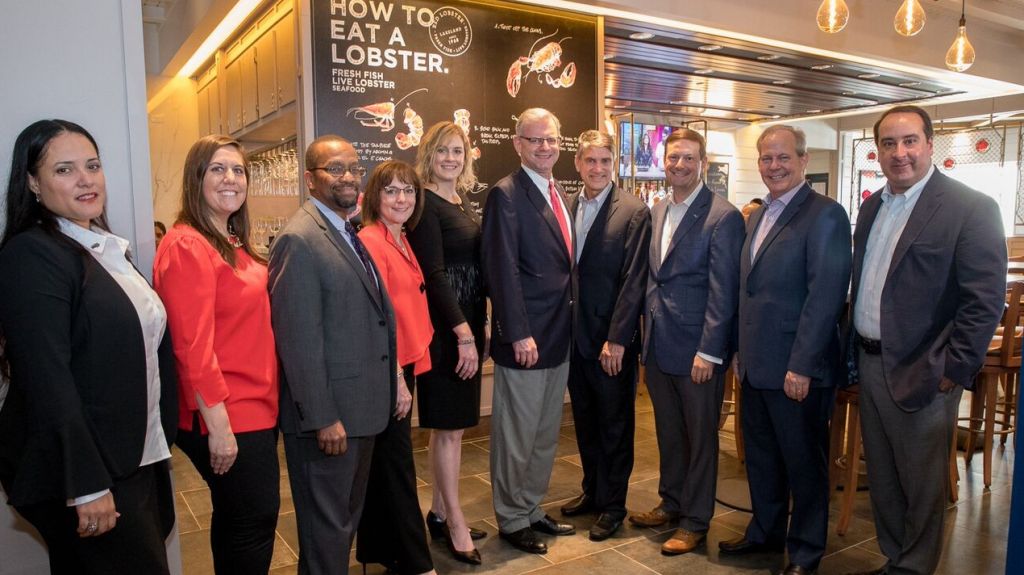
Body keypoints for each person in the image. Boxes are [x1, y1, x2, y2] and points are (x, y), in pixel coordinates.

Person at [0, 119, 177, 573]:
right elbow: (47, 379)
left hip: (135, 458)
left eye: (92, 165)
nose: (85, 179)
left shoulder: (103, 250)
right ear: (33, 183)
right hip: (91, 473)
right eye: (64, 170)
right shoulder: (31, 255)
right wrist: (86, 486)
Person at [845, 105, 1006, 575]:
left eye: (910, 141)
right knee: (884, 478)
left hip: (924, 369)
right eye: (889, 144)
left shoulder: (969, 207)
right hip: (869, 361)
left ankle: (915, 568)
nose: (900, 153)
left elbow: (984, 300)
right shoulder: (872, 205)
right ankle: (896, 559)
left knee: (920, 483)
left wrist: (954, 369)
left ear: (930, 144)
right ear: (878, 151)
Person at [722, 125, 851, 575]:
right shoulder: (757, 216)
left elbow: (825, 297)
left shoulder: (826, 215)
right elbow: (748, 292)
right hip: (756, 365)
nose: (773, 166)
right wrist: (738, 349)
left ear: (802, 159)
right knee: (761, 458)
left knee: (804, 465)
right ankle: (765, 534)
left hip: (797, 370)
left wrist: (802, 366)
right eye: (766, 158)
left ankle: (805, 551)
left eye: (782, 158)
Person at [153, 134, 280, 574]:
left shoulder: (230, 242)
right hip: (228, 413)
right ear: (196, 179)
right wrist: (219, 428)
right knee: (251, 521)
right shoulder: (189, 245)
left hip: (256, 406)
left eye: (239, 170)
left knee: (242, 520)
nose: (231, 178)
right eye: (217, 169)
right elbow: (192, 347)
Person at [268, 135, 395, 575]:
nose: (348, 178)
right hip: (329, 420)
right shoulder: (299, 240)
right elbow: (298, 339)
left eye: (355, 168)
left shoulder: (345, 231)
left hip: (359, 412)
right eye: (335, 169)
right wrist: (322, 417)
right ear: (310, 179)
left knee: (339, 530)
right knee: (327, 537)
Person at [630, 128, 744, 555]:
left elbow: (723, 291)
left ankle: (696, 520)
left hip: (699, 349)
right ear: (664, 160)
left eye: (688, 159)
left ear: (703, 164)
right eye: (673, 157)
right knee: (669, 432)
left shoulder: (722, 216)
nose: (679, 165)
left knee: (700, 439)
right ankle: (671, 502)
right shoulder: (657, 209)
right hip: (659, 343)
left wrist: (710, 351)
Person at [482, 107, 576, 555]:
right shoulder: (506, 194)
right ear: (517, 144)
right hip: (526, 339)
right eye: (535, 140)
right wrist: (518, 332)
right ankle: (511, 516)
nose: (544, 147)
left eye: (551, 139)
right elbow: (502, 270)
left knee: (544, 431)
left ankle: (532, 505)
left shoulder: (560, 193)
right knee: (516, 433)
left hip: (559, 334)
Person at [560, 130, 651, 542]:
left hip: (610, 343)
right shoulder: (567, 204)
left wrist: (618, 339)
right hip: (575, 340)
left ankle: (614, 505)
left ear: (613, 165)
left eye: (604, 162)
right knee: (585, 421)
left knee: (615, 426)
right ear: (578, 164)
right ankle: (592, 492)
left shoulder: (633, 211)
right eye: (590, 161)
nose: (597, 169)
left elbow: (634, 280)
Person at [407, 121, 488, 563]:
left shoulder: (461, 199)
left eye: (457, 151)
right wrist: (463, 335)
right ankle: (454, 521)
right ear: (428, 155)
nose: (451, 158)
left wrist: (481, 325)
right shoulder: (425, 205)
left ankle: (439, 513)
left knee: (452, 428)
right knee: (449, 431)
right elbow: (434, 277)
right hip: (446, 332)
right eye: (443, 151)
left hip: (468, 325)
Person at [354, 161, 438, 574]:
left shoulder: (400, 239)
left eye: (408, 191)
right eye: (391, 191)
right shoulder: (371, 240)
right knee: (399, 469)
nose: (401, 199)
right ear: (374, 197)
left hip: (405, 363)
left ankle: (378, 552)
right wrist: (397, 382)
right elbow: (377, 319)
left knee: (384, 467)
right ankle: (415, 562)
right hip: (390, 371)